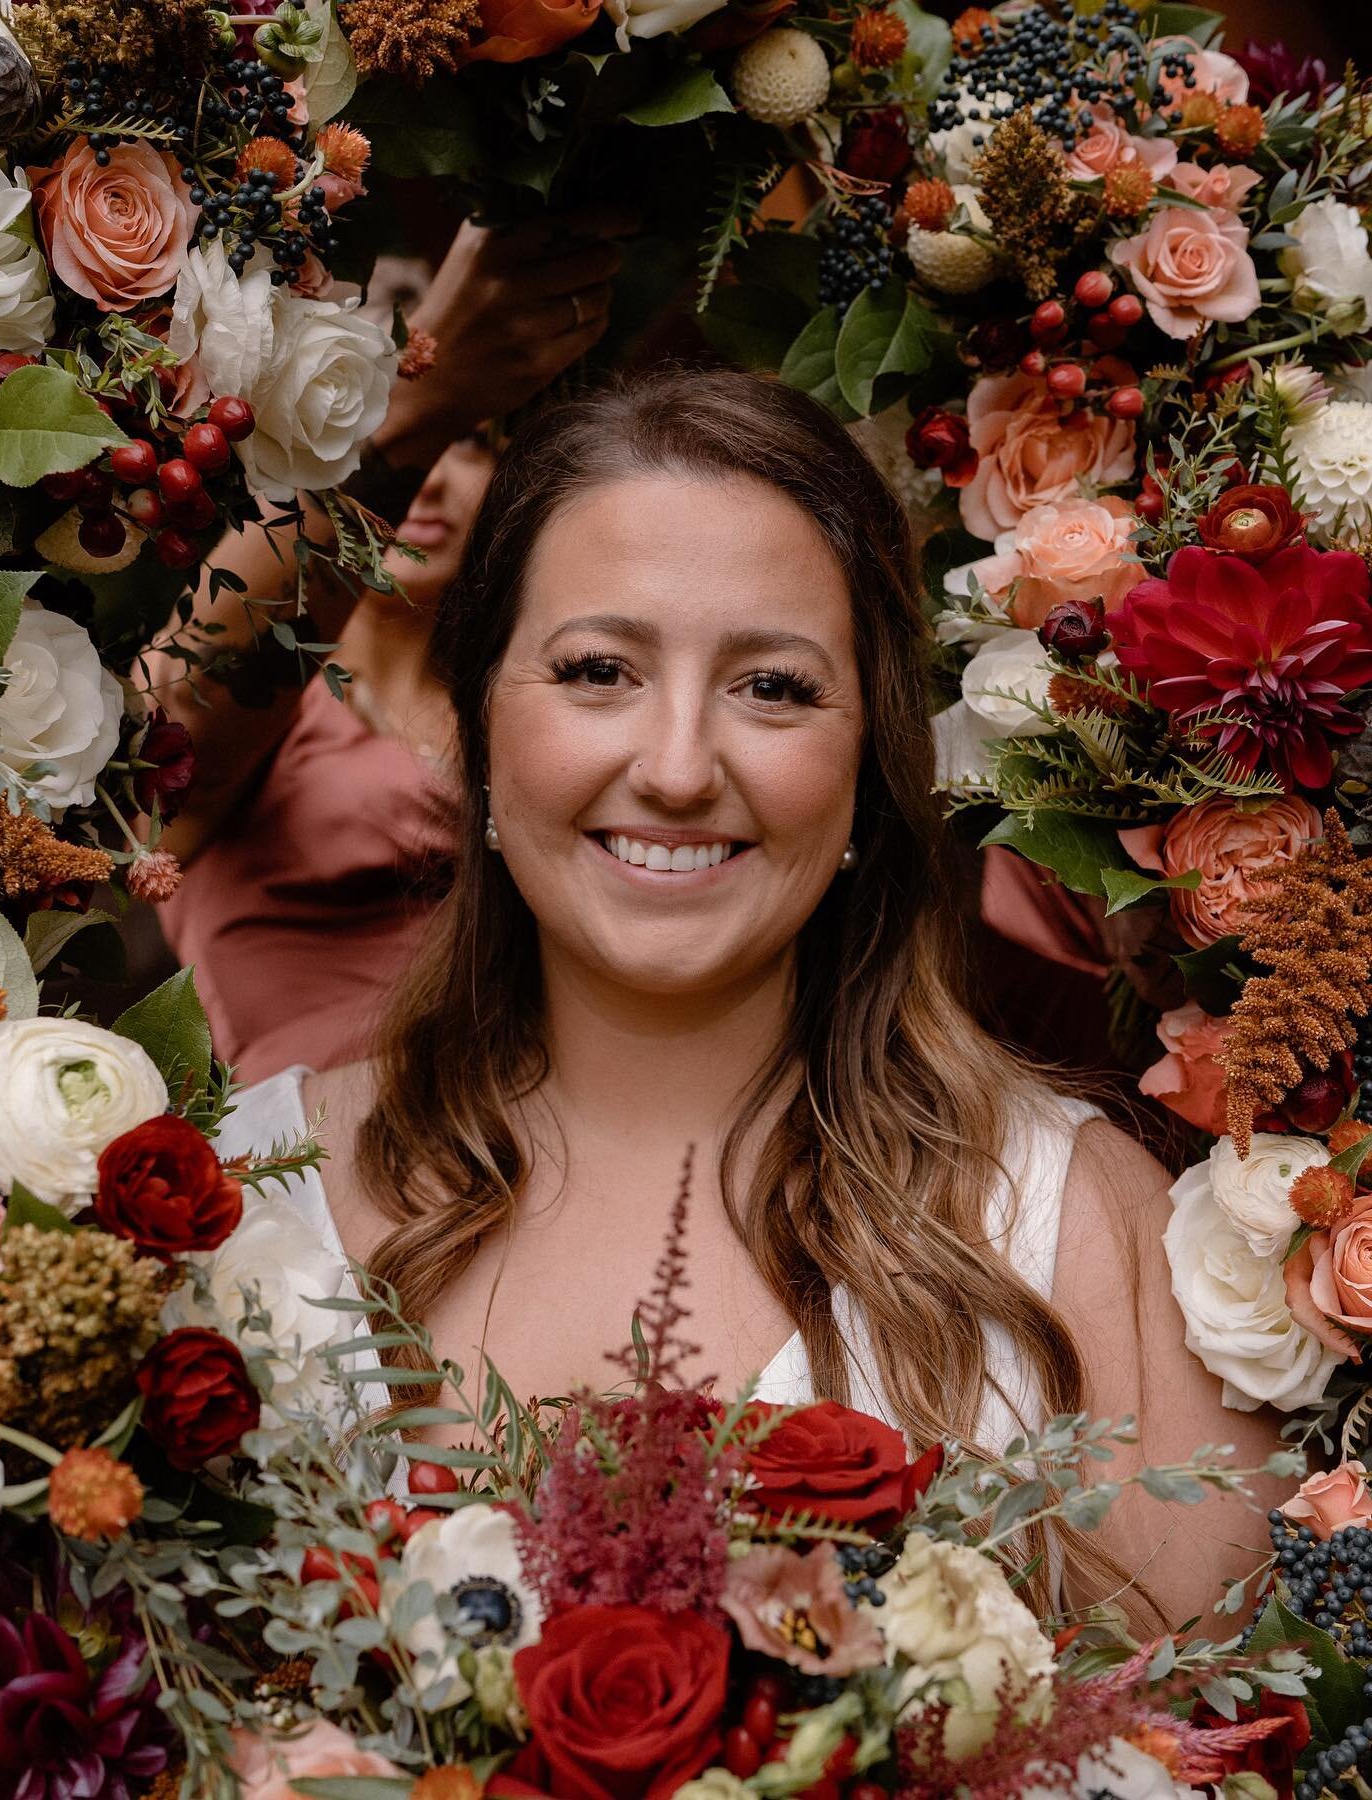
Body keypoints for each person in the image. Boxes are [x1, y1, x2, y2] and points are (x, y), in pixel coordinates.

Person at [214, 367, 1281, 1626]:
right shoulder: (244, 1197)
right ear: (479, 725)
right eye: (599, 669)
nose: (675, 768)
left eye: (771, 687)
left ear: (870, 758)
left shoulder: (1081, 1235)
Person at [148, 206, 636, 1080]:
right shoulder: (256, 712)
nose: (440, 474)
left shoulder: (534, 700)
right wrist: (417, 406)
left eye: (475, 444)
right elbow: (171, 727)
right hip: (311, 1166)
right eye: (340, 420)